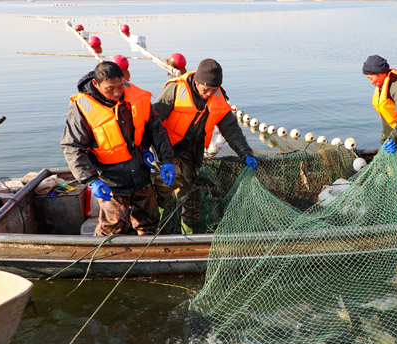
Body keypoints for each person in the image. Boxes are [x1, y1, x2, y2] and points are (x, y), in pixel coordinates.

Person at [61, 61, 176, 236]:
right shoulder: (81, 108)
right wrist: (91, 180)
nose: (117, 93)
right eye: (110, 88)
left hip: (141, 174)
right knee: (113, 229)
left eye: (120, 86)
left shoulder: (136, 97)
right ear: (96, 84)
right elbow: (72, 147)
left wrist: (166, 159)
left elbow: (156, 129)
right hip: (110, 182)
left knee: (150, 222)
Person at [153, 58, 257, 234]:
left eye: (213, 90)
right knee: (164, 187)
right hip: (166, 146)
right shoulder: (176, 89)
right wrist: (160, 156)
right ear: (197, 82)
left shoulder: (218, 96)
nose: (209, 94)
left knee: (191, 195)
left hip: (192, 150)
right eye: (206, 89)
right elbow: (153, 123)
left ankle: (190, 238)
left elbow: (231, 129)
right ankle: (159, 230)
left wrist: (246, 153)